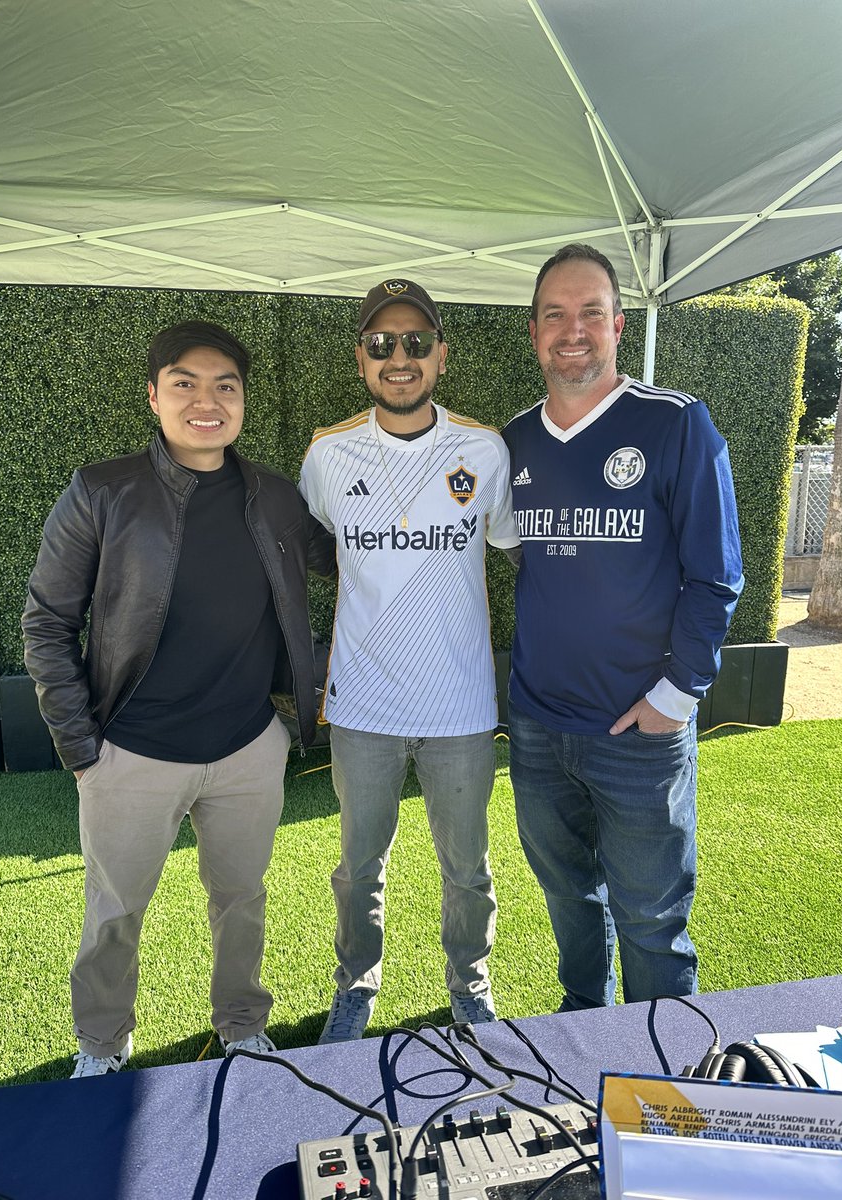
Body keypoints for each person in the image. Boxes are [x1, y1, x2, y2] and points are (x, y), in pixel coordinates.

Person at [22, 320, 334, 1076]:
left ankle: (240, 1026)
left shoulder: (276, 496)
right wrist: (81, 747)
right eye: (185, 384)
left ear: (243, 402)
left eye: (225, 386)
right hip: (131, 752)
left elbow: (352, 559)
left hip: (247, 749)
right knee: (115, 915)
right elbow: (47, 619)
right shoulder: (102, 490)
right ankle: (102, 1043)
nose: (207, 401)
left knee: (241, 902)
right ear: (154, 396)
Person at [502, 244, 744, 1011]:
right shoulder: (512, 441)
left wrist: (676, 695)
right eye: (554, 315)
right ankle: (584, 1030)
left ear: (618, 324)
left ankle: (663, 1070)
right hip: (540, 727)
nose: (572, 330)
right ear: (534, 331)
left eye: (590, 313)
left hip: (638, 731)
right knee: (570, 900)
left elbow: (717, 577)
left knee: (651, 919)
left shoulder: (675, 424)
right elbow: (526, 562)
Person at [299, 279, 520, 1042]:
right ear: (361, 358)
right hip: (362, 707)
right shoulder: (327, 455)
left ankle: (471, 982)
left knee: (468, 870)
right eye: (382, 343)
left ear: (441, 357)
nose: (400, 357)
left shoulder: (484, 451)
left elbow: (510, 545)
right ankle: (356, 985)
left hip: (460, 707)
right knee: (358, 867)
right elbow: (322, 545)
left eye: (416, 342)